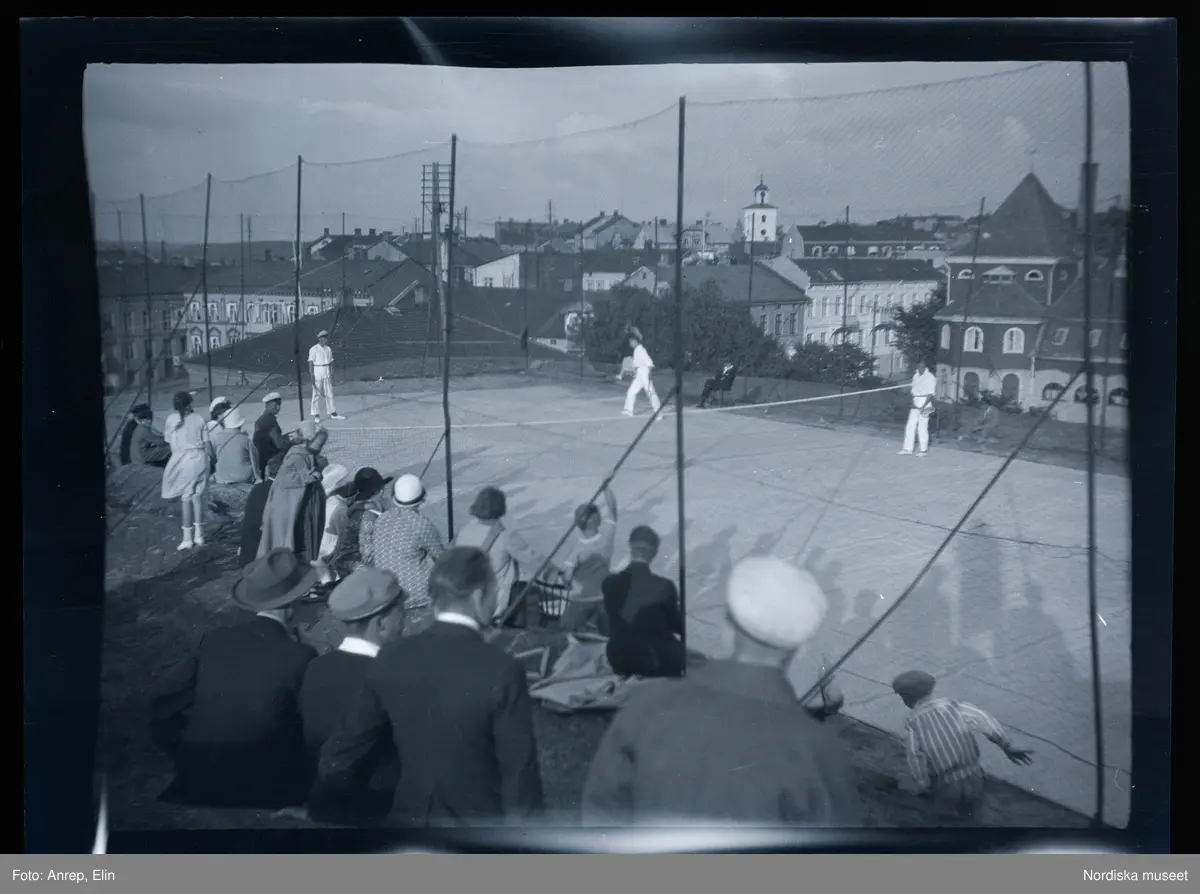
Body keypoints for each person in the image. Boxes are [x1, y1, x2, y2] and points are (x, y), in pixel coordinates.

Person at [581, 556, 862, 827]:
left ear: (727, 630)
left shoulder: (648, 702)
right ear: (801, 648)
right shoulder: (819, 751)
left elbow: (602, 812)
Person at [313, 546, 544, 828]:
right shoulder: (502, 669)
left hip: (407, 820)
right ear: (478, 596)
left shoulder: (392, 657)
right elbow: (520, 775)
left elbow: (343, 750)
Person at [149, 548, 319, 809]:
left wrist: (180, 749)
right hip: (267, 787)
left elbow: (162, 699)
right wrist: (305, 650)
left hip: (198, 776)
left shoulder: (215, 640)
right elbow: (315, 726)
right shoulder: (301, 656)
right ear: (290, 607)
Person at [300, 567, 405, 824]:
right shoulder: (395, 677)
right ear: (381, 623)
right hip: (381, 807)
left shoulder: (316, 667)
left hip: (327, 797)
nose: (405, 622)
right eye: (402, 613)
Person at [891, 670, 1033, 825]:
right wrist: (1005, 744)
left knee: (944, 815)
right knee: (973, 811)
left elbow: (915, 755)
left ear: (907, 698)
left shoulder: (913, 723)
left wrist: (922, 783)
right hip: (974, 775)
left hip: (946, 783)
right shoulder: (954, 706)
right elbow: (983, 719)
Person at [452, 486, 546, 627]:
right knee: (526, 591)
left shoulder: (464, 531)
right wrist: (557, 574)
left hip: (462, 599)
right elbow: (532, 559)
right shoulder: (505, 536)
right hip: (490, 605)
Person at [366, 473, 445, 636]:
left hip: (387, 592)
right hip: (417, 596)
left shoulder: (382, 519)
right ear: (421, 497)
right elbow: (441, 558)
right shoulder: (421, 524)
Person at [602, 526, 685, 678]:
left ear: (630, 547)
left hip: (618, 658)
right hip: (653, 661)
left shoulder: (609, 583)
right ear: (654, 553)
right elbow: (679, 627)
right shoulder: (665, 586)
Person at [258, 419, 329, 563]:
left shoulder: (305, 454)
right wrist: (312, 475)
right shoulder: (296, 456)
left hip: (300, 507)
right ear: (308, 440)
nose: (321, 447)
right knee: (292, 544)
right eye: (320, 443)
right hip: (291, 509)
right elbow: (285, 478)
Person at [552, 484, 618, 633]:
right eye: (598, 515)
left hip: (582, 600)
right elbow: (613, 510)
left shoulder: (576, 550)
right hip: (603, 598)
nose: (601, 516)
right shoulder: (606, 538)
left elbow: (567, 578)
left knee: (563, 628)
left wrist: (562, 577)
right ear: (595, 520)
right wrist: (606, 488)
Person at [162, 391, 215, 551]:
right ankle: (199, 535)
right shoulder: (199, 419)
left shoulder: (171, 419)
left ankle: (187, 538)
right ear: (189, 404)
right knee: (197, 497)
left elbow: (169, 440)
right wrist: (213, 459)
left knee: (186, 498)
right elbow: (207, 445)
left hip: (182, 460)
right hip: (199, 458)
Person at [326, 468, 393, 580]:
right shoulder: (368, 515)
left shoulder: (357, 504)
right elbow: (368, 554)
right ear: (381, 490)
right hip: (350, 563)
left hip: (343, 558)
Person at [900, 360, 938, 457]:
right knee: (910, 426)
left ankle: (923, 450)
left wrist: (923, 406)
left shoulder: (930, 377)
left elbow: (930, 394)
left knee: (922, 427)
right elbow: (913, 391)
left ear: (925, 367)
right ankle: (907, 449)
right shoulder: (915, 376)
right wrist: (913, 403)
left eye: (922, 366)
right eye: (918, 366)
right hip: (915, 401)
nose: (920, 368)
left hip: (925, 401)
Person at [210, 407, 255, 487]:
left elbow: (213, 456)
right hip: (243, 477)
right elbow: (254, 460)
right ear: (240, 424)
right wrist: (258, 476)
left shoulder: (217, 438)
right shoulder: (245, 439)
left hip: (222, 477)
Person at [317, 464, 353, 562]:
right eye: (347, 482)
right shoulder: (339, 508)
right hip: (330, 554)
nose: (351, 484)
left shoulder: (322, 502)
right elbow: (345, 537)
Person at [253, 392, 294, 477]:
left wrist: (285, 436)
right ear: (268, 405)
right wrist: (291, 442)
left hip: (261, 458)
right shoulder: (271, 421)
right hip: (272, 458)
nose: (278, 407)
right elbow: (279, 444)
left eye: (280, 404)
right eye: (276, 405)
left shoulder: (259, 420)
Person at [308, 330, 345, 422]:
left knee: (329, 392)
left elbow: (331, 361)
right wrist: (312, 375)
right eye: (323, 338)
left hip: (326, 370)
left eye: (326, 338)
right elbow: (310, 362)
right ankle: (316, 415)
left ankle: (333, 413)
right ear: (319, 338)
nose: (325, 340)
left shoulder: (328, 349)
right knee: (316, 393)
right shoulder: (313, 349)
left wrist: (331, 371)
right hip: (317, 370)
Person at [622, 332, 662, 418]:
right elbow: (637, 365)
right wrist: (636, 374)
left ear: (635, 341)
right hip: (640, 373)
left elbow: (649, 363)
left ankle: (658, 413)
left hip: (645, 373)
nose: (630, 344)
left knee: (650, 393)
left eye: (631, 342)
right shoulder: (636, 350)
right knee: (631, 391)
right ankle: (628, 410)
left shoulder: (641, 350)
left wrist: (649, 376)